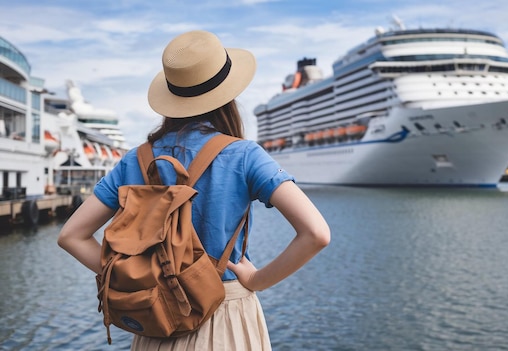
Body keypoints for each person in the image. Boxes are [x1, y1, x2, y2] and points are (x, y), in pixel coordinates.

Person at [57, 30, 331, 350]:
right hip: (227, 313)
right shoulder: (244, 155)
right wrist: (258, 280)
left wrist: (133, 276)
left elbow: (71, 236)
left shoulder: (136, 159)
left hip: (157, 318)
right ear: (227, 96)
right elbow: (317, 233)